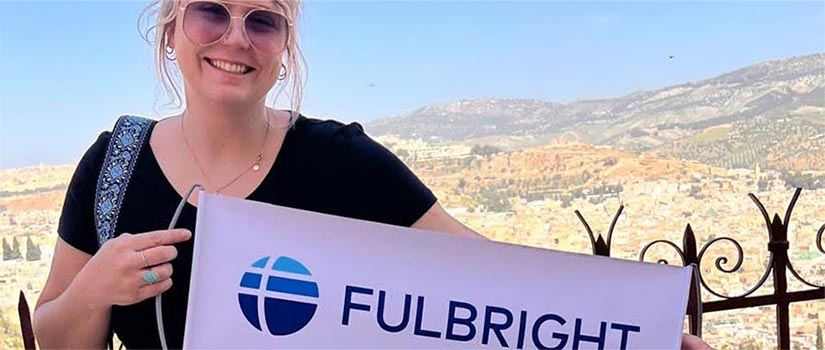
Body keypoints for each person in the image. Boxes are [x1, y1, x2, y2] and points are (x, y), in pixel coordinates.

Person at [31, 1, 712, 349]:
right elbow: (58, 336)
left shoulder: (337, 159)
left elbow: (484, 275)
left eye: (263, 21)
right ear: (171, 34)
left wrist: (635, 332)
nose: (235, 36)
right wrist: (95, 289)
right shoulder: (112, 165)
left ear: (283, 52)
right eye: (212, 11)